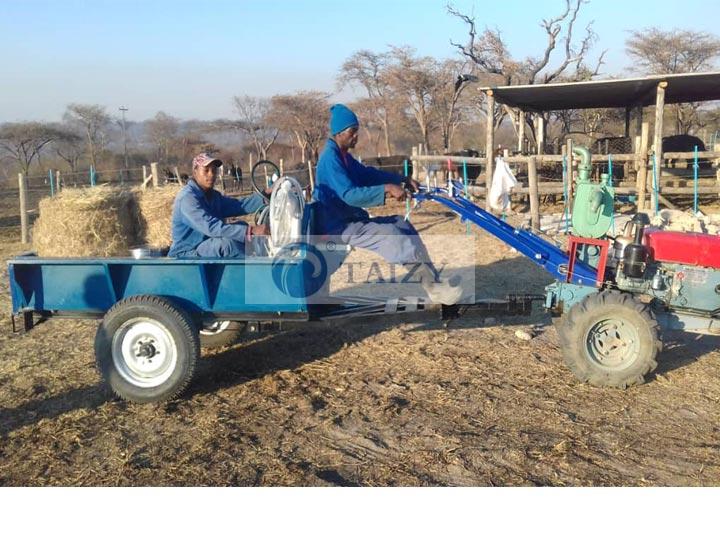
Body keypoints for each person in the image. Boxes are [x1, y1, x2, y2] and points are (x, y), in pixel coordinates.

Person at [313, 104, 462, 305]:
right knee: (392, 237)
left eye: (356, 131)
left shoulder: (343, 156)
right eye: (352, 131)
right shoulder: (331, 159)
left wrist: (401, 180)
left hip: (348, 218)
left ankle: (434, 281)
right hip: (336, 224)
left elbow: (368, 174)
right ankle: (435, 289)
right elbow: (349, 195)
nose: (356, 136)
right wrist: (386, 189)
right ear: (339, 132)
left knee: (402, 225)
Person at [168, 153, 269, 258]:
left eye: (214, 170)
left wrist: (265, 196)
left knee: (241, 225)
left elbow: (238, 205)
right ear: (195, 171)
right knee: (227, 245)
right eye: (206, 170)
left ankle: (262, 257)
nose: (211, 174)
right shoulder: (187, 198)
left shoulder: (213, 196)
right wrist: (251, 231)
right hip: (186, 252)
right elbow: (211, 227)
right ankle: (257, 269)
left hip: (206, 244)